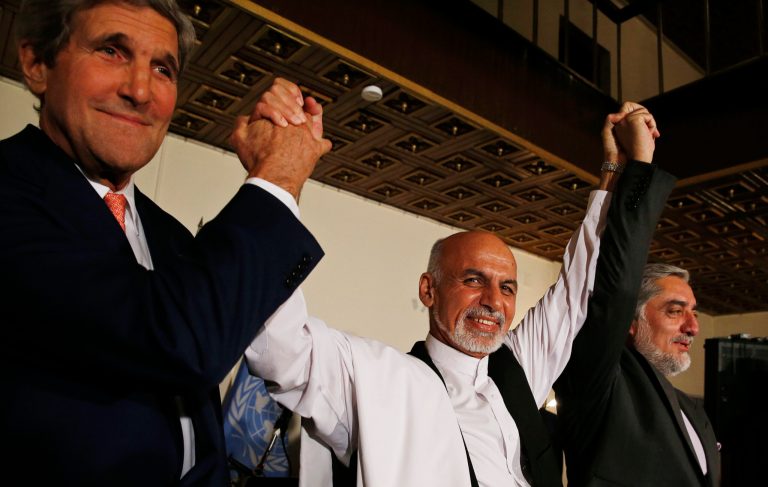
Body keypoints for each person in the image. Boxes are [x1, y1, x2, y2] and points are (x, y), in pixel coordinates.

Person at [245, 80, 676, 486]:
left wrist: (614, 171)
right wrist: (277, 178)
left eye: (507, 287)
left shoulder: (518, 368)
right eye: (474, 280)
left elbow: (580, 285)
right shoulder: (376, 380)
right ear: (428, 290)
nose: (493, 301)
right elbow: (279, 349)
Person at [0, 1, 329, 484]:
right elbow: (178, 341)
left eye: (163, 68)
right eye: (112, 51)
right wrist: (277, 177)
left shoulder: (171, 235)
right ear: (37, 65)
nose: (140, 90)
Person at [554, 262, 721, 486]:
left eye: (694, 313)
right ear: (630, 320)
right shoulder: (602, 385)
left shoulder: (693, 410)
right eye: (675, 311)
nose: (693, 327)